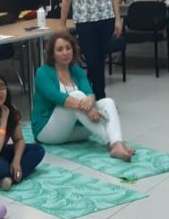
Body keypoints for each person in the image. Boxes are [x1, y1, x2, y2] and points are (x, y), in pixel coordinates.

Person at [31, 31, 134, 161]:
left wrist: (90, 105)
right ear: (52, 54)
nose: (65, 52)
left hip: (76, 132)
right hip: (47, 132)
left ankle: (117, 142)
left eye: (68, 48)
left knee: (107, 102)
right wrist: (89, 109)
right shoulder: (43, 72)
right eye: (60, 49)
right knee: (77, 95)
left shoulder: (76, 70)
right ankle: (111, 143)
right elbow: (57, 97)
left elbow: (90, 94)